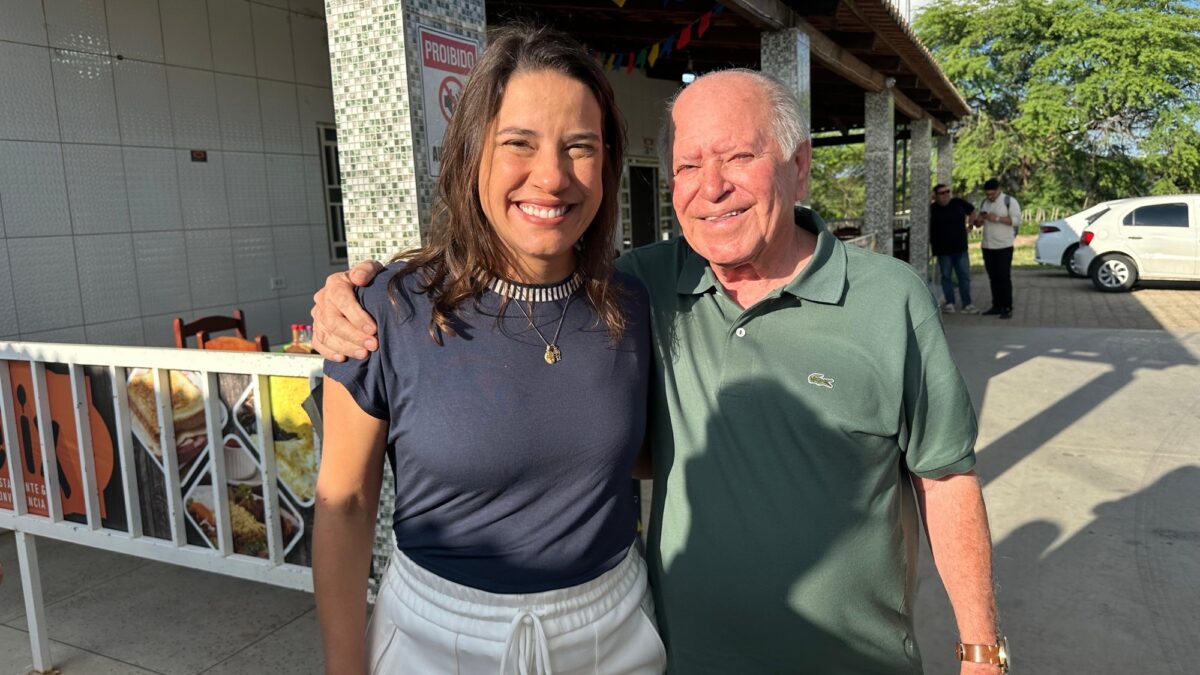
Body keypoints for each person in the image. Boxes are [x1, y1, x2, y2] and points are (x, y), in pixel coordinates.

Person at [314, 70, 1005, 674]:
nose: (712, 188)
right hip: (672, 655)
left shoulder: (881, 298)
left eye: (740, 157)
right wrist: (346, 290)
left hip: (834, 658)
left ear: (799, 166)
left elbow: (944, 475)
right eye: (688, 165)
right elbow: (349, 499)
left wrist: (980, 651)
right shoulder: (637, 289)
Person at [313, 24, 664, 675]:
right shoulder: (385, 309)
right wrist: (343, 664)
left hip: (611, 631)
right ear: (472, 151)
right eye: (519, 145)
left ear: (608, 161)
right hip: (435, 638)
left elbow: (634, 453)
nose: (552, 176)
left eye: (580, 147)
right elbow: (346, 502)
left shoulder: (633, 304)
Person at [972, 178, 1022, 319]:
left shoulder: (1009, 201)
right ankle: (996, 305)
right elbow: (978, 224)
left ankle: (1007, 307)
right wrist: (979, 221)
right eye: (988, 194)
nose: (990, 197)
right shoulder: (984, 202)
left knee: (1003, 277)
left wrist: (998, 219)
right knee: (993, 277)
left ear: (999, 190)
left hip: (1004, 246)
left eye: (992, 194)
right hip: (987, 246)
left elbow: (1017, 221)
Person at [931, 183, 979, 314]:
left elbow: (972, 211)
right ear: (935, 196)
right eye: (942, 193)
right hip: (943, 250)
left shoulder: (958, 203)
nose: (946, 195)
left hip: (960, 248)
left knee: (964, 276)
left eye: (947, 191)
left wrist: (970, 225)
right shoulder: (932, 209)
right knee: (946, 277)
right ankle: (950, 303)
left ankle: (967, 304)